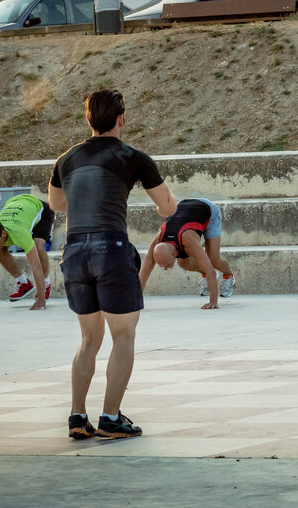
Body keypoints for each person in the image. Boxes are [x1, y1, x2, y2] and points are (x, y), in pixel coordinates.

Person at [48, 89, 177, 440]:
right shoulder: (133, 157)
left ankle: (77, 416)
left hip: (74, 251)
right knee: (124, 335)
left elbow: (57, 204)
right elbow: (168, 208)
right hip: (111, 248)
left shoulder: (66, 159)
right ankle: (110, 417)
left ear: (88, 119)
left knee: (89, 339)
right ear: (122, 118)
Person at [139, 198, 236, 309]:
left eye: (166, 264)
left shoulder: (188, 242)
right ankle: (205, 275)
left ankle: (228, 276)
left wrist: (213, 302)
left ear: (174, 253)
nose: (165, 269)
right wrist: (136, 301)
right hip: (186, 209)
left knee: (213, 260)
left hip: (208, 211)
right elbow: (144, 271)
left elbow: (210, 270)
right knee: (183, 263)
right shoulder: (158, 239)